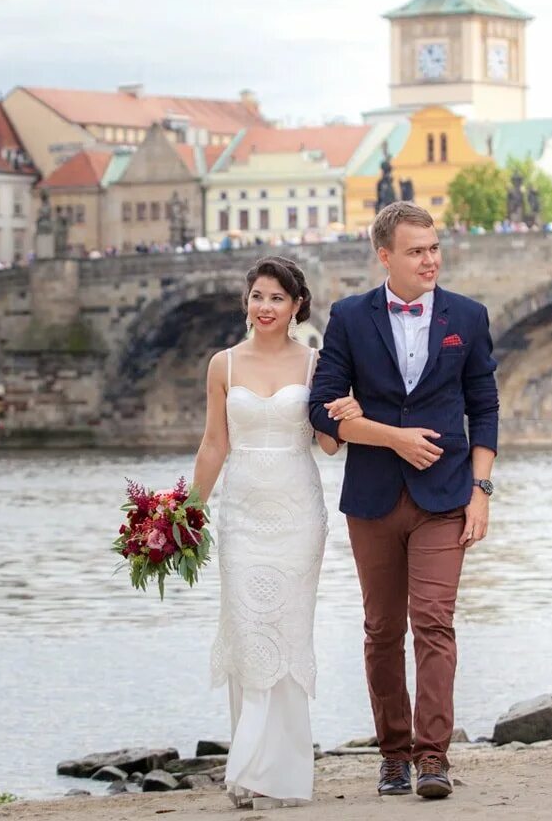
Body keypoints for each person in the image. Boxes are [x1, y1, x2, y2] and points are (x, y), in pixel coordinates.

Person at [308, 201, 500, 800]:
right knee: (382, 630)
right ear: (385, 255)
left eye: (435, 247)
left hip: (446, 496)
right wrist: (389, 435)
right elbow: (322, 407)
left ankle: (433, 758)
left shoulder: (467, 317)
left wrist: (482, 490)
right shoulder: (348, 317)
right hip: (372, 497)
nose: (431, 260)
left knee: (435, 624)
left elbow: (484, 407)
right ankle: (393, 755)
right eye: (417, 250)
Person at [191, 256, 361, 809]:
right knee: (247, 632)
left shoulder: (316, 364)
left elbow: (330, 443)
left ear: (296, 307)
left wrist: (348, 412)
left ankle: (278, 774)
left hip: (296, 515)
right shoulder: (223, 366)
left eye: (277, 299)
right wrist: (186, 513)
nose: (265, 307)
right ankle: (249, 770)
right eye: (258, 296)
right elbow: (215, 443)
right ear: (248, 302)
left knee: (287, 634)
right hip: (241, 515)